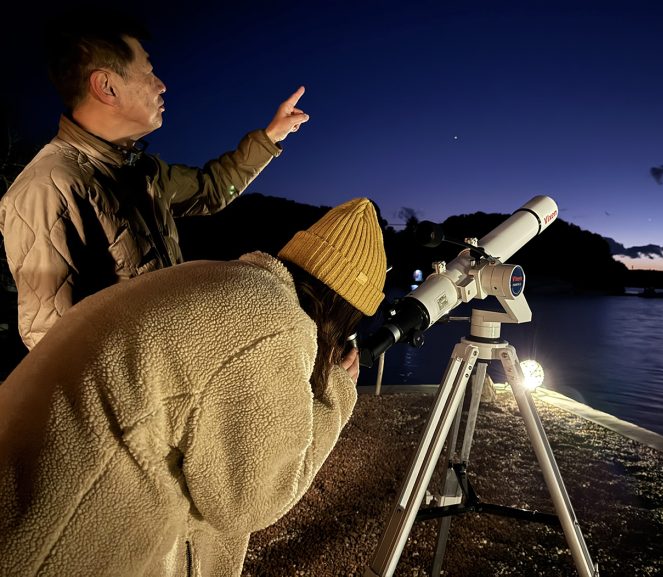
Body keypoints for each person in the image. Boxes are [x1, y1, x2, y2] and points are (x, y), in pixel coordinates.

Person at [0, 197, 387, 577]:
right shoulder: (275, 323)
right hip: (51, 547)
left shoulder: (218, 277)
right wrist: (336, 395)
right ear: (340, 311)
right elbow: (249, 500)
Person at [0, 7, 309, 349]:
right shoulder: (47, 188)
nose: (161, 85)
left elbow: (213, 189)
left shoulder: (139, 170)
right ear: (107, 87)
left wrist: (271, 137)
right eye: (148, 72)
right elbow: (51, 346)